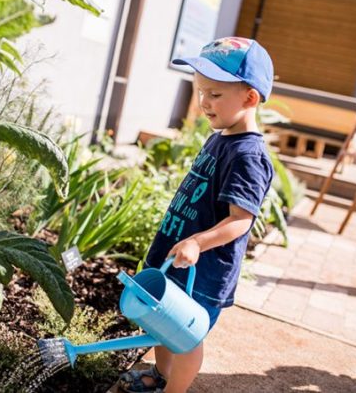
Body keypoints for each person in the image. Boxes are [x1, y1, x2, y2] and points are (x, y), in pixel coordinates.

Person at [118, 36, 275, 393]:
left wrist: (197, 242)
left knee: (185, 334)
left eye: (215, 94)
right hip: (178, 254)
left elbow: (240, 220)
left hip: (202, 269)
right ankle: (159, 375)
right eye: (200, 90)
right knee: (161, 321)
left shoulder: (248, 155)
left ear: (250, 97)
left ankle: (174, 390)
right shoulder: (220, 137)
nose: (204, 102)